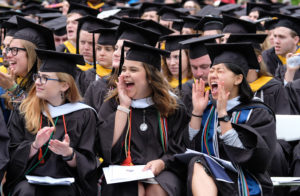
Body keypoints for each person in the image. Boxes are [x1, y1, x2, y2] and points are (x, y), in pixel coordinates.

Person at [98, 41, 189, 196]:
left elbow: (181, 146)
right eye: (124, 69)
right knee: (133, 190)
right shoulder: (112, 104)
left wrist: (163, 162)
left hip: (164, 169)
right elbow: (106, 149)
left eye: (133, 70)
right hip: (122, 170)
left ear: (150, 77)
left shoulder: (172, 107)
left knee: (158, 190)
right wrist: (124, 107)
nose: (126, 74)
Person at [186, 43, 277, 196]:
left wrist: (223, 114)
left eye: (220, 71)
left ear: (238, 79)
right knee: (197, 162)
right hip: (206, 178)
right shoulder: (207, 108)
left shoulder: (257, 113)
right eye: (212, 70)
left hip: (245, 179)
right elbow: (189, 147)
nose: (212, 75)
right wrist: (196, 112)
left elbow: (256, 160)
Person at [4, 49, 98, 196]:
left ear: (65, 85)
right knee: (26, 191)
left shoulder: (85, 114)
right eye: (38, 77)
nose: (37, 82)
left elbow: (90, 162)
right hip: (27, 181)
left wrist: (69, 154)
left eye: (45, 78)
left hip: (68, 183)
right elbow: (10, 153)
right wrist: (34, 146)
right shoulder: (24, 110)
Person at [84, 21, 160, 114]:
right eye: (116, 48)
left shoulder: (161, 98)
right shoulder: (98, 86)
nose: (116, 53)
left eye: (124, 50)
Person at [2, 16, 55, 108]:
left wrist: (14, 89)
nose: (8, 55)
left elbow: (37, 115)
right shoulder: (12, 81)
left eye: (14, 50)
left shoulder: (48, 85)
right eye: (9, 49)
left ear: (31, 54)